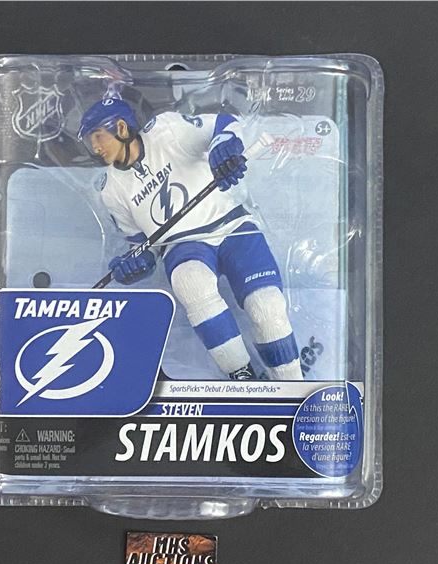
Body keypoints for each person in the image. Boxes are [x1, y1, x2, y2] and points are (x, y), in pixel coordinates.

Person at [78, 97, 302, 380]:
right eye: (90, 142)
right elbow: (144, 244)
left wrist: (223, 145)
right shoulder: (110, 190)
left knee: (266, 305)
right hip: (182, 245)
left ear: (121, 127)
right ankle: (242, 377)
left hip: (232, 225)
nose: (95, 147)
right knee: (190, 282)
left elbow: (224, 123)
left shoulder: (166, 129)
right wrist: (136, 263)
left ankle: (292, 383)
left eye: (98, 136)